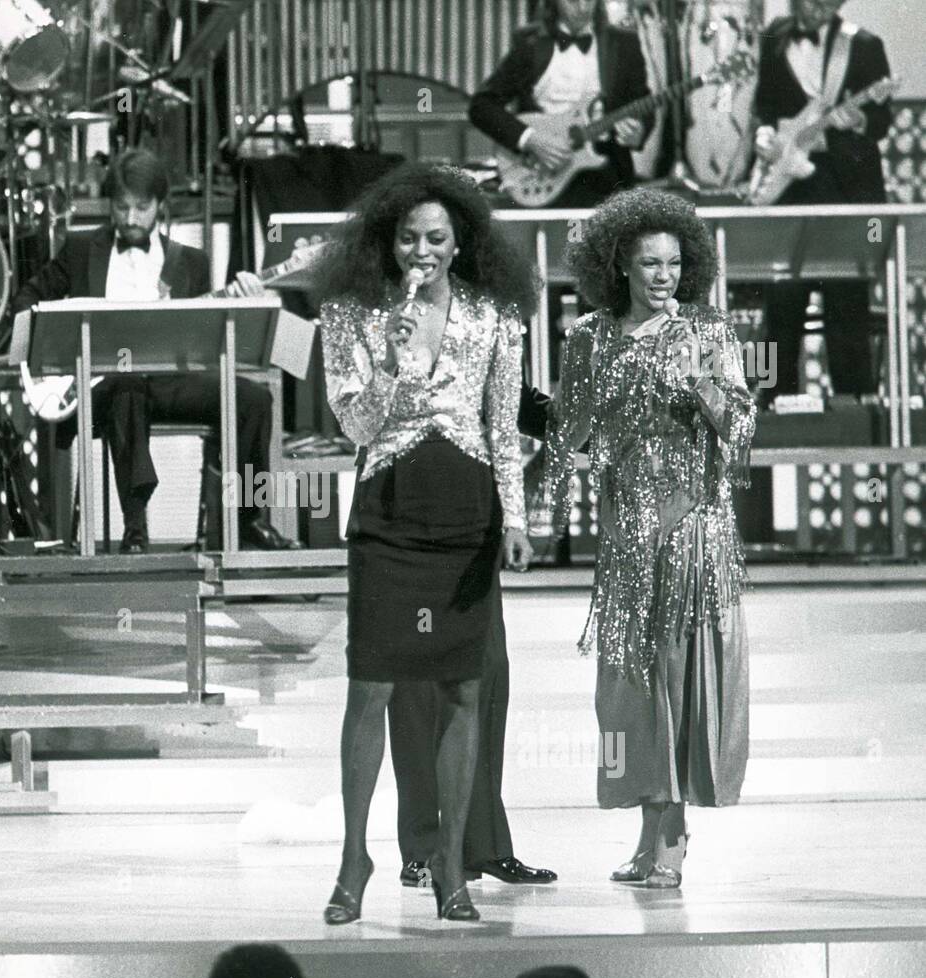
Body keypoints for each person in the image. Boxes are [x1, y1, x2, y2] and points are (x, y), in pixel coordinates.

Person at [315, 163, 538, 923]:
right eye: (409, 237)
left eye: (436, 238)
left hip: (465, 510)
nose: (422, 251)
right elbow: (354, 424)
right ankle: (353, 860)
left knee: (462, 690)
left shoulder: (495, 316)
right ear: (390, 240)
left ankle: (451, 869)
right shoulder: (352, 313)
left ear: (459, 241)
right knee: (371, 685)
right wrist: (387, 360)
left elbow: (503, 426)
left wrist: (517, 519)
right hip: (389, 508)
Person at [546, 189, 754, 889]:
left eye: (673, 263)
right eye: (648, 263)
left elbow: (742, 432)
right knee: (630, 690)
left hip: (693, 528)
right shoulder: (589, 337)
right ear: (620, 266)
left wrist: (700, 379)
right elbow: (566, 432)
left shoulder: (710, 334)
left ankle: (670, 841)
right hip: (626, 533)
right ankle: (650, 831)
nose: (663, 275)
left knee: (675, 674)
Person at [12, 148, 301, 552]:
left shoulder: (190, 262)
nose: (130, 219)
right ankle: (136, 531)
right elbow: (28, 299)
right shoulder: (80, 250)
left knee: (253, 398)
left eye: (141, 208)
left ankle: (248, 519)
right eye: (121, 207)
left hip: (169, 383)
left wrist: (242, 300)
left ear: (161, 207)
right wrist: (45, 352)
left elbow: (204, 338)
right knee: (126, 386)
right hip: (100, 390)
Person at [388, 382, 559, 890]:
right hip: (403, 514)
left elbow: (521, 407)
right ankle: (422, 850)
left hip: (475, 520)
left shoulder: (489, 319)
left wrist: (593, 413)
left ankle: (481, 846)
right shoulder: (387, 319)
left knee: (484, 680)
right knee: (417, 691)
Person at [751, 0, 893, 408]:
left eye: (825, 4)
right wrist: (763, 133)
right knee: (777, 306)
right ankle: (766, 403)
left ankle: (856, 407)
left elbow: (882, 122)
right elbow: (765, 103)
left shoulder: (864, 46)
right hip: (787, 190)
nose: (815, 11)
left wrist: (860, 122)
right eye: (809, 2)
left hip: (845, 190)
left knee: (847, 303)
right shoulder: (774, 34)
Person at [468, 0, 652, 209]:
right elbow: (481, 106)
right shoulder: (529, 44)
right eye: (573, 1)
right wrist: (530, 139)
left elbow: (642, 102)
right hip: (543, 171)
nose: (583, 8)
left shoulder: (623, 42)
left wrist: (639, 131)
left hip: (607, 174)